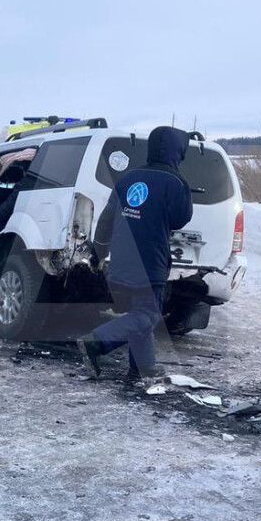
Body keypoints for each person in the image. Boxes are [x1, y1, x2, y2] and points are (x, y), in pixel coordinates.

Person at [82, 127, 193, 379]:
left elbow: (106, 220)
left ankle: (142, 367)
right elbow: (180, 219)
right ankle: (97, 341)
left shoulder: (128, 178)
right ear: (177, 151)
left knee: (139, 312)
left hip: (121, 260)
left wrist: (98, 253)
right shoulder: (175, 183)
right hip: (150, 260)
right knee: (148, 315)